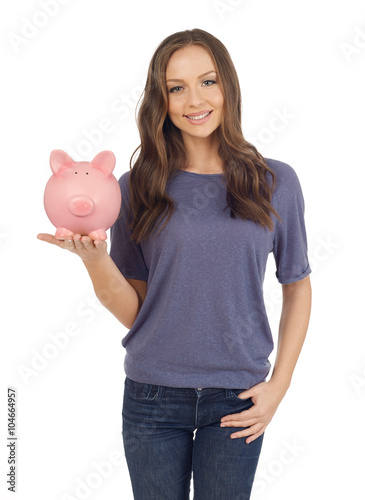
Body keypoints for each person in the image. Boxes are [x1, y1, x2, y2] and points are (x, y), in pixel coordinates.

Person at [38, 28, 312, 500]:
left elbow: (297, 286)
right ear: (160, 99)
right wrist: (94, 260)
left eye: (207, 82)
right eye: (176, 87)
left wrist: (279, 385)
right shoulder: (133, 188)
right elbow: (134, 309)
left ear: (228, 86)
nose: (194, 100)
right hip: (152, 398)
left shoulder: (274, 182)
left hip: (237, 398)